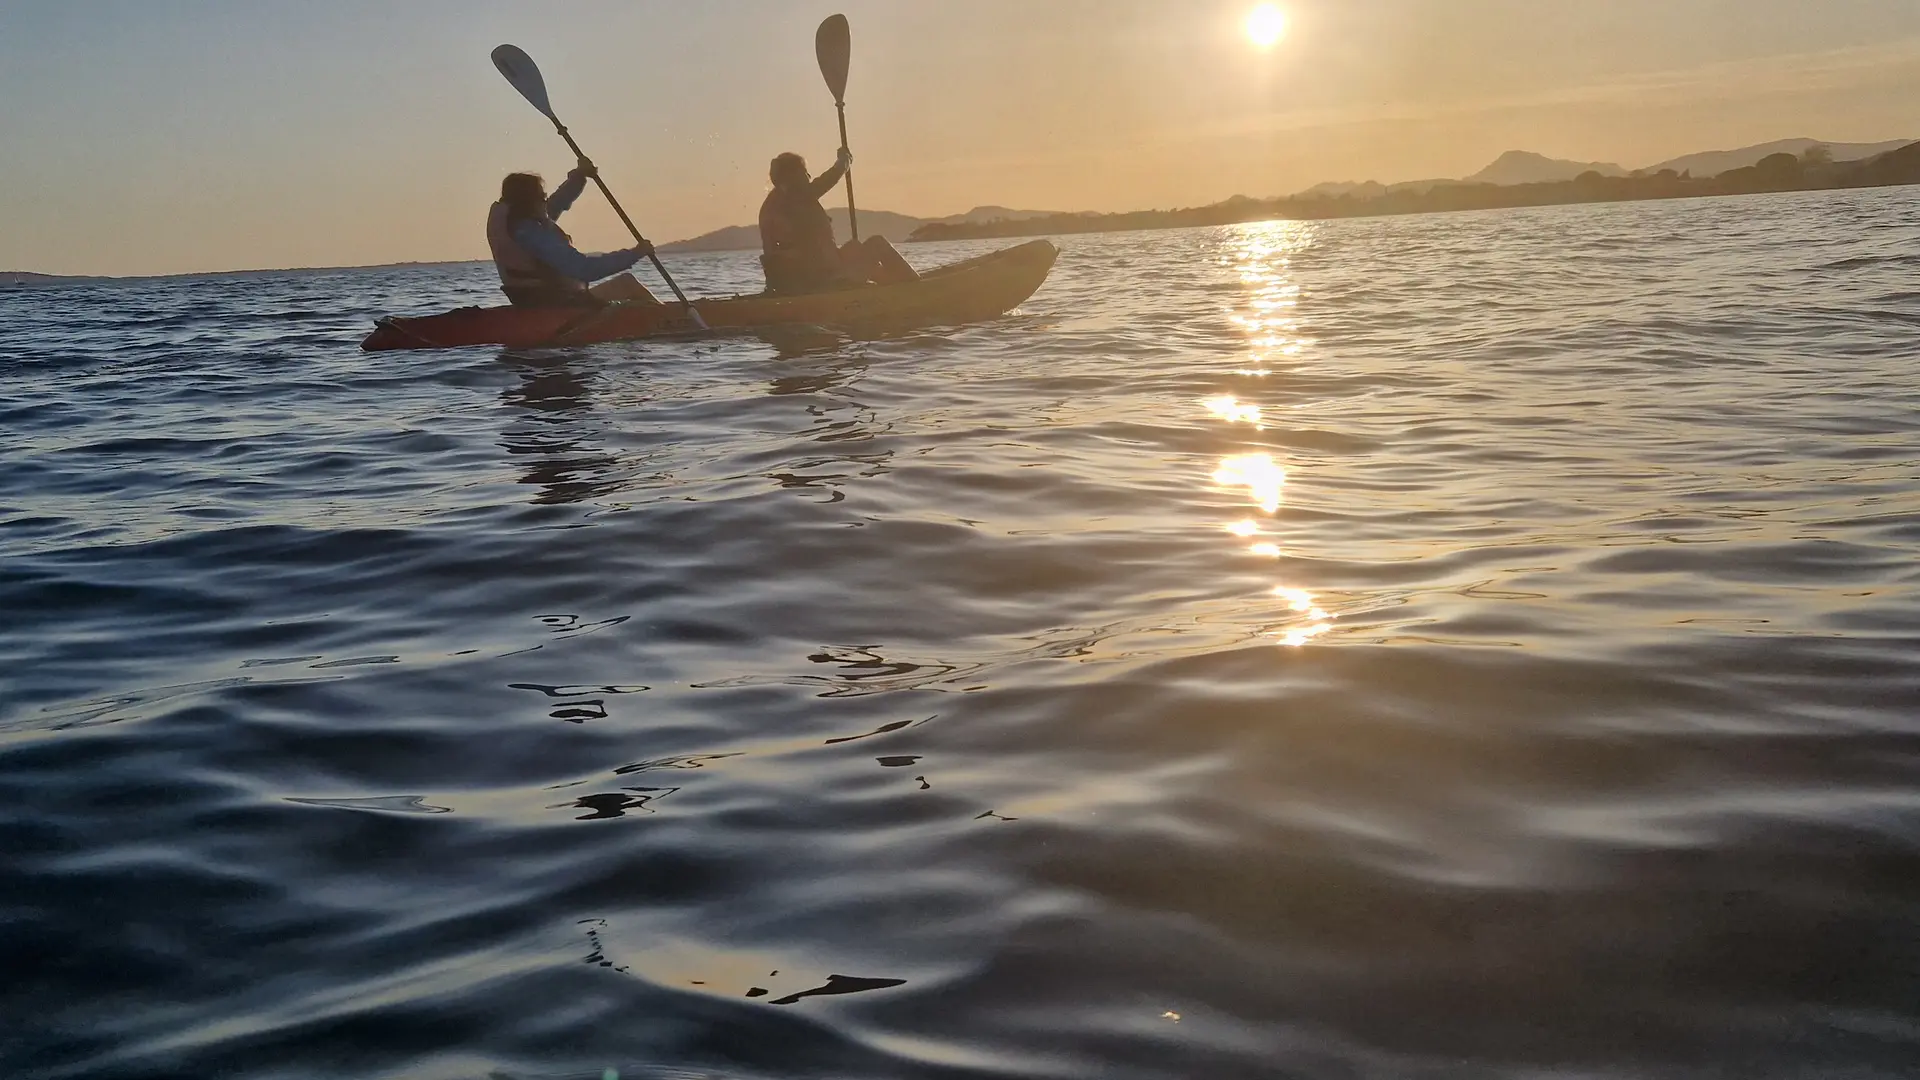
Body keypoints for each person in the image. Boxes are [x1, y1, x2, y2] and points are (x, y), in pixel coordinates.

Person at [487, 159, 659, 307]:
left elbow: (555, 204)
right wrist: (635, 254)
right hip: (556, 302)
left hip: (533, 299)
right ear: (530, 200)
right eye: (542, 195)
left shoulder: (515, 220)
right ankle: (677, 320)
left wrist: (579, 177)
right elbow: (583, 269)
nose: (545, 199)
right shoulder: (530, 233)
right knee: (627, 284)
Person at [759, 148, 919, 294]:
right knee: (877, 243)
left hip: (798, 283)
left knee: (854, 247)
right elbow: (826, 181)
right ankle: (916, 287)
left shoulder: (773, 203)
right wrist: (844, 162)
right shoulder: (797, 196)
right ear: (793, 175)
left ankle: (891, 286)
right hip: (823, 284)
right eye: (805, 172)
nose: (808, 177)